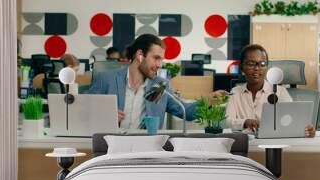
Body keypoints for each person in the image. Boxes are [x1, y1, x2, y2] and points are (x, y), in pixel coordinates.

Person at [89, 34, 225, 129]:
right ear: (140, 55)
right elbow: (84, 113)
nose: (160, 65)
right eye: (156, 58)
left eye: (161, 60)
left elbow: (186, 112)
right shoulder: (107, 79)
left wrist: (208, 100)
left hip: (146, 151)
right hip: (111, 149)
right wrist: (103, 116)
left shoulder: (158, 86)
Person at [225, 44, 315, 137]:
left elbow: (292, 120)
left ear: (267, 67)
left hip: (272, 142)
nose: (257, 68)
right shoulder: (235, 92)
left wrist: (306, 129)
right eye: (251, 64)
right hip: (244, 142)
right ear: (242, 68)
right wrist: (245, 122)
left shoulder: (280, 92)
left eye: (262, 64)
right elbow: (227, 121)